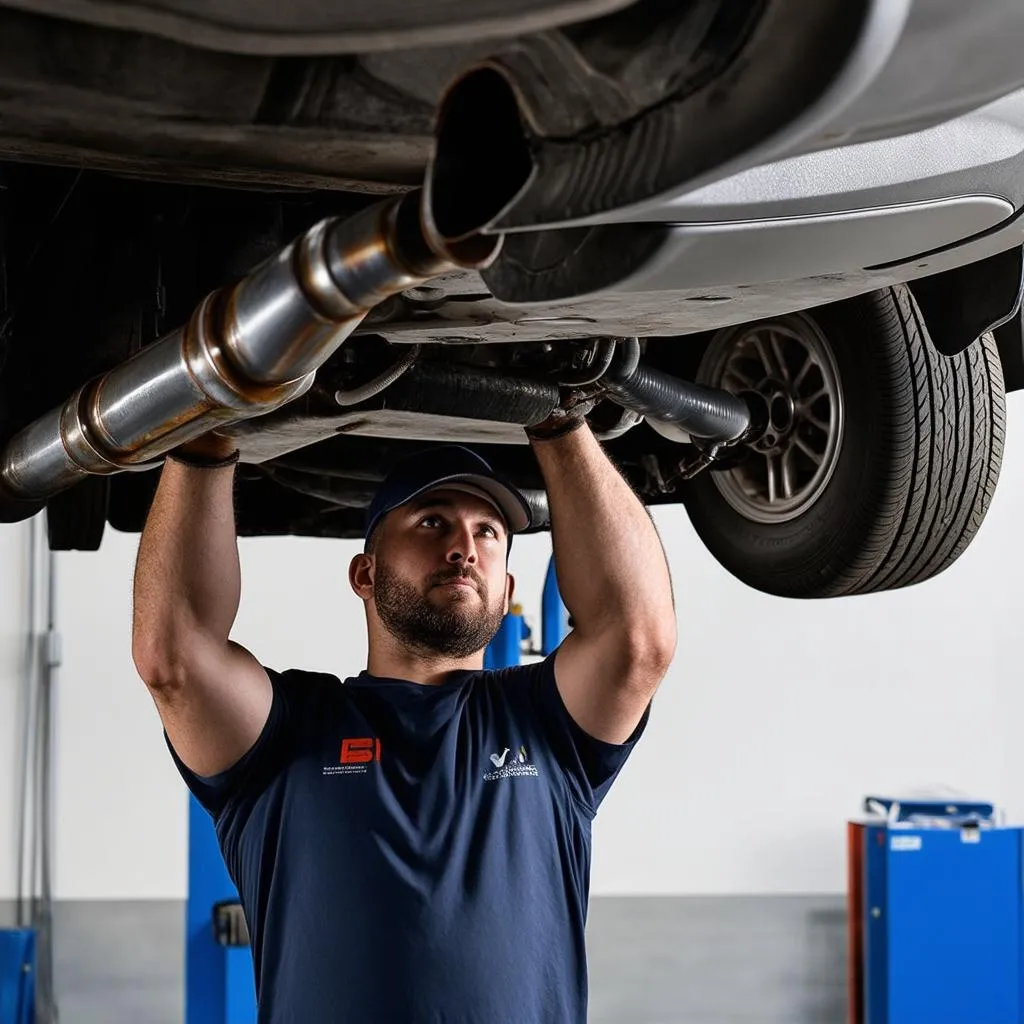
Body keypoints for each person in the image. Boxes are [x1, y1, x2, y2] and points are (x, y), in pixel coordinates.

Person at [131, 404, 677, 1024]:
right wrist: (209, 424)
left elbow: (638, 639)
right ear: (365, 573)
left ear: (507, 587)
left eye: (487, 532)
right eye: (432, 522)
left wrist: (560, 418)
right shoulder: (291, 732)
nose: (463, 549)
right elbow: (175, 658)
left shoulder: (546, 724)